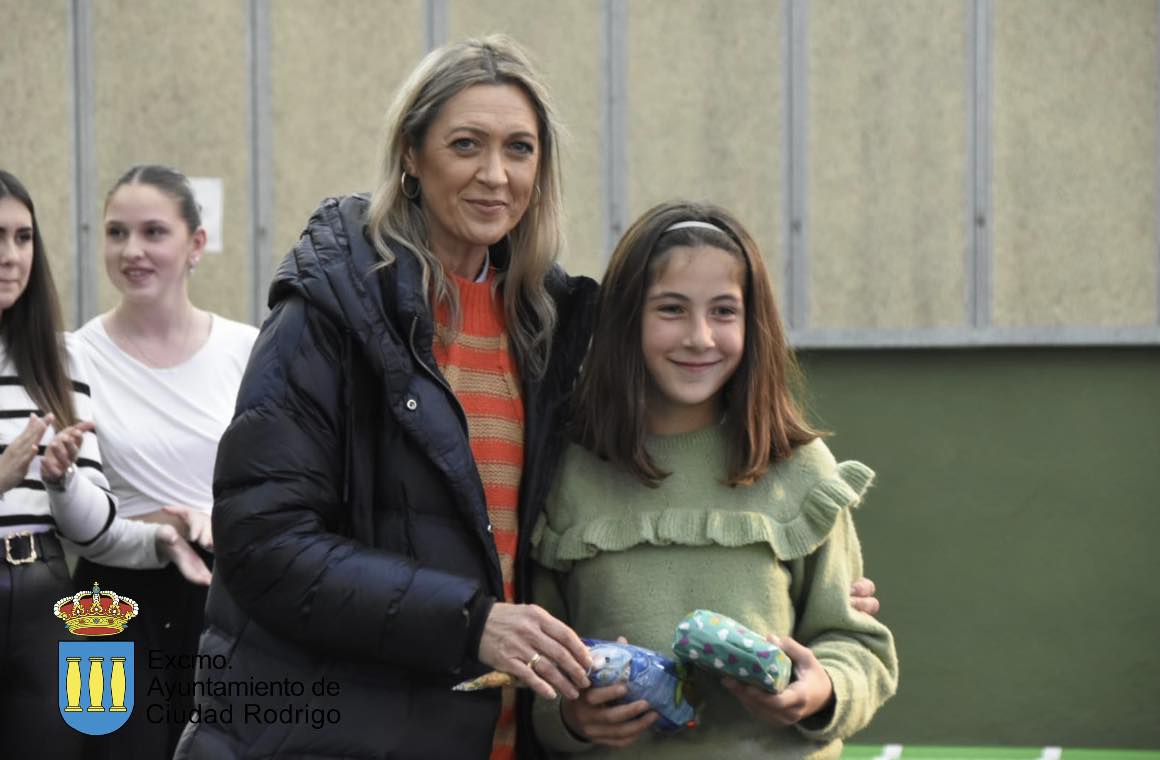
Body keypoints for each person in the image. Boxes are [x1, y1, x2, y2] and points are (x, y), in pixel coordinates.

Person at [175, 36, 881, 760]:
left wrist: (803, 582)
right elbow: (263, 543)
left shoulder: (555, 334)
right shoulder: (327, 317)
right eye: (465, 144)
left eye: (519, 149)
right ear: (411, 156)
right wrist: (470, 622)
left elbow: (637, 501)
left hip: (504, 738)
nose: (494, 174)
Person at [530, 201, 899, 759]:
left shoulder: (800, 468)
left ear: (755, 323)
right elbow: (533, 666)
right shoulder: (569, 472)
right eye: (672, 309)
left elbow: (856, 644)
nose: (700, 336)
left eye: (724, 311)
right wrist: (571, 718)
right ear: (626, 320)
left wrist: (821, 690)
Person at [0, 169, 207, 758]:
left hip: (44, 597)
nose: (11, 256)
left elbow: (92, 528)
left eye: (22, 237)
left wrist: (63, 481)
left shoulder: (58, 357)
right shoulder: (93, 345)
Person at [74, 164, 258, 759]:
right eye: (116, 233)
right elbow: (70, 498)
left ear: (195, 244)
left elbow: (277, 483)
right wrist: (156, 525)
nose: (133, 251)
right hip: (105, 603)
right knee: (103, 749)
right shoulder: (73, 356)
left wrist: (219, 520)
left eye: (154, 232)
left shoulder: (248, 349)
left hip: (225, 597)